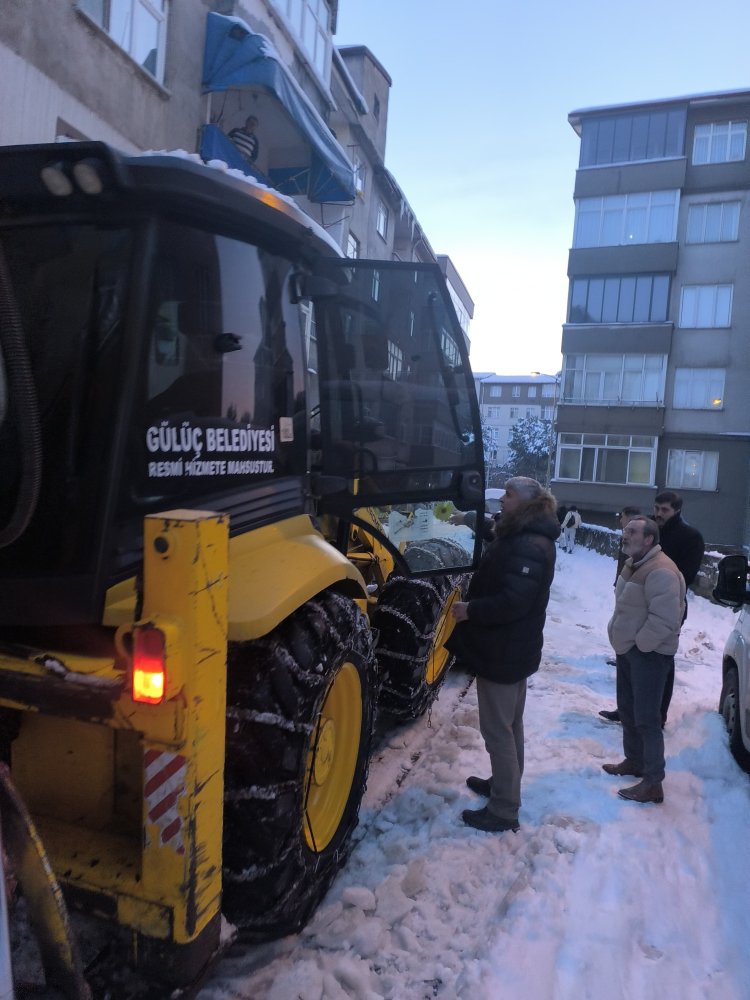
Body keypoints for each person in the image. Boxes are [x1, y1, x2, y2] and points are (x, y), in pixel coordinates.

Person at [444, 477, 560, 833]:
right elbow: (499, 539)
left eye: (508, 495)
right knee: (511, 724)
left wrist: (470, 611)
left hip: (505, 649)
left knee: (497, 730)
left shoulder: (530, 544)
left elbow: (513, 601)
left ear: (526, 503)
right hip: (512, 647)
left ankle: (504, 809)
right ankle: (502, 784)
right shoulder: (525, 534)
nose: (502, 499)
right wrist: (466, 519)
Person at [599, 492, 704, 725]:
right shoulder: (647, 527)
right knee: (629, 661)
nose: (658, 513)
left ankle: (657, 716)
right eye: (656, 508)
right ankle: (627, 709)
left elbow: (685, 577)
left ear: (677, 510)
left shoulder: (690, 536)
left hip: (667, 606)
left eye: (664, 510)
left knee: (660, 662)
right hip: (636, 602)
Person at [602, 516, 685, 804]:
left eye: (632, 532)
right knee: (627, 709)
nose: (625, 535)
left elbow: (666, 619)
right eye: (625, 530)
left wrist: (640, 645)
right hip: (629, 650)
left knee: (648, 719)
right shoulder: (634, 563)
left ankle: (653, 782)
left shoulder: (661, 571)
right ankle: (634, 761)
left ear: (649, 539)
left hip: (648, 655)